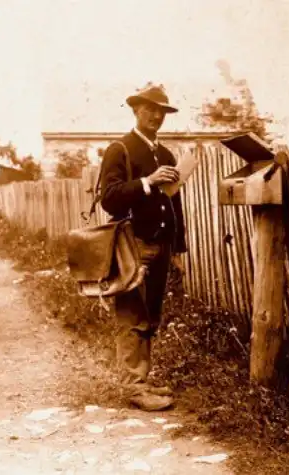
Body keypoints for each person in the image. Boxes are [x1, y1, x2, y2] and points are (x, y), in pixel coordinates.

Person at [99, 83, 187, 411]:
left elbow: (174, 203)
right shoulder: (120, 149)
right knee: (131, 314)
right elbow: (109, 199)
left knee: (151, 314)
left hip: (161, 244)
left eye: (161, 111)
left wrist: (177, 249)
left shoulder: (166, 155)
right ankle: (134, 386)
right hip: (131, 243)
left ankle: (143, 379)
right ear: (136, 110)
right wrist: (148, 182)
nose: (156, 116)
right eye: (149, 109)